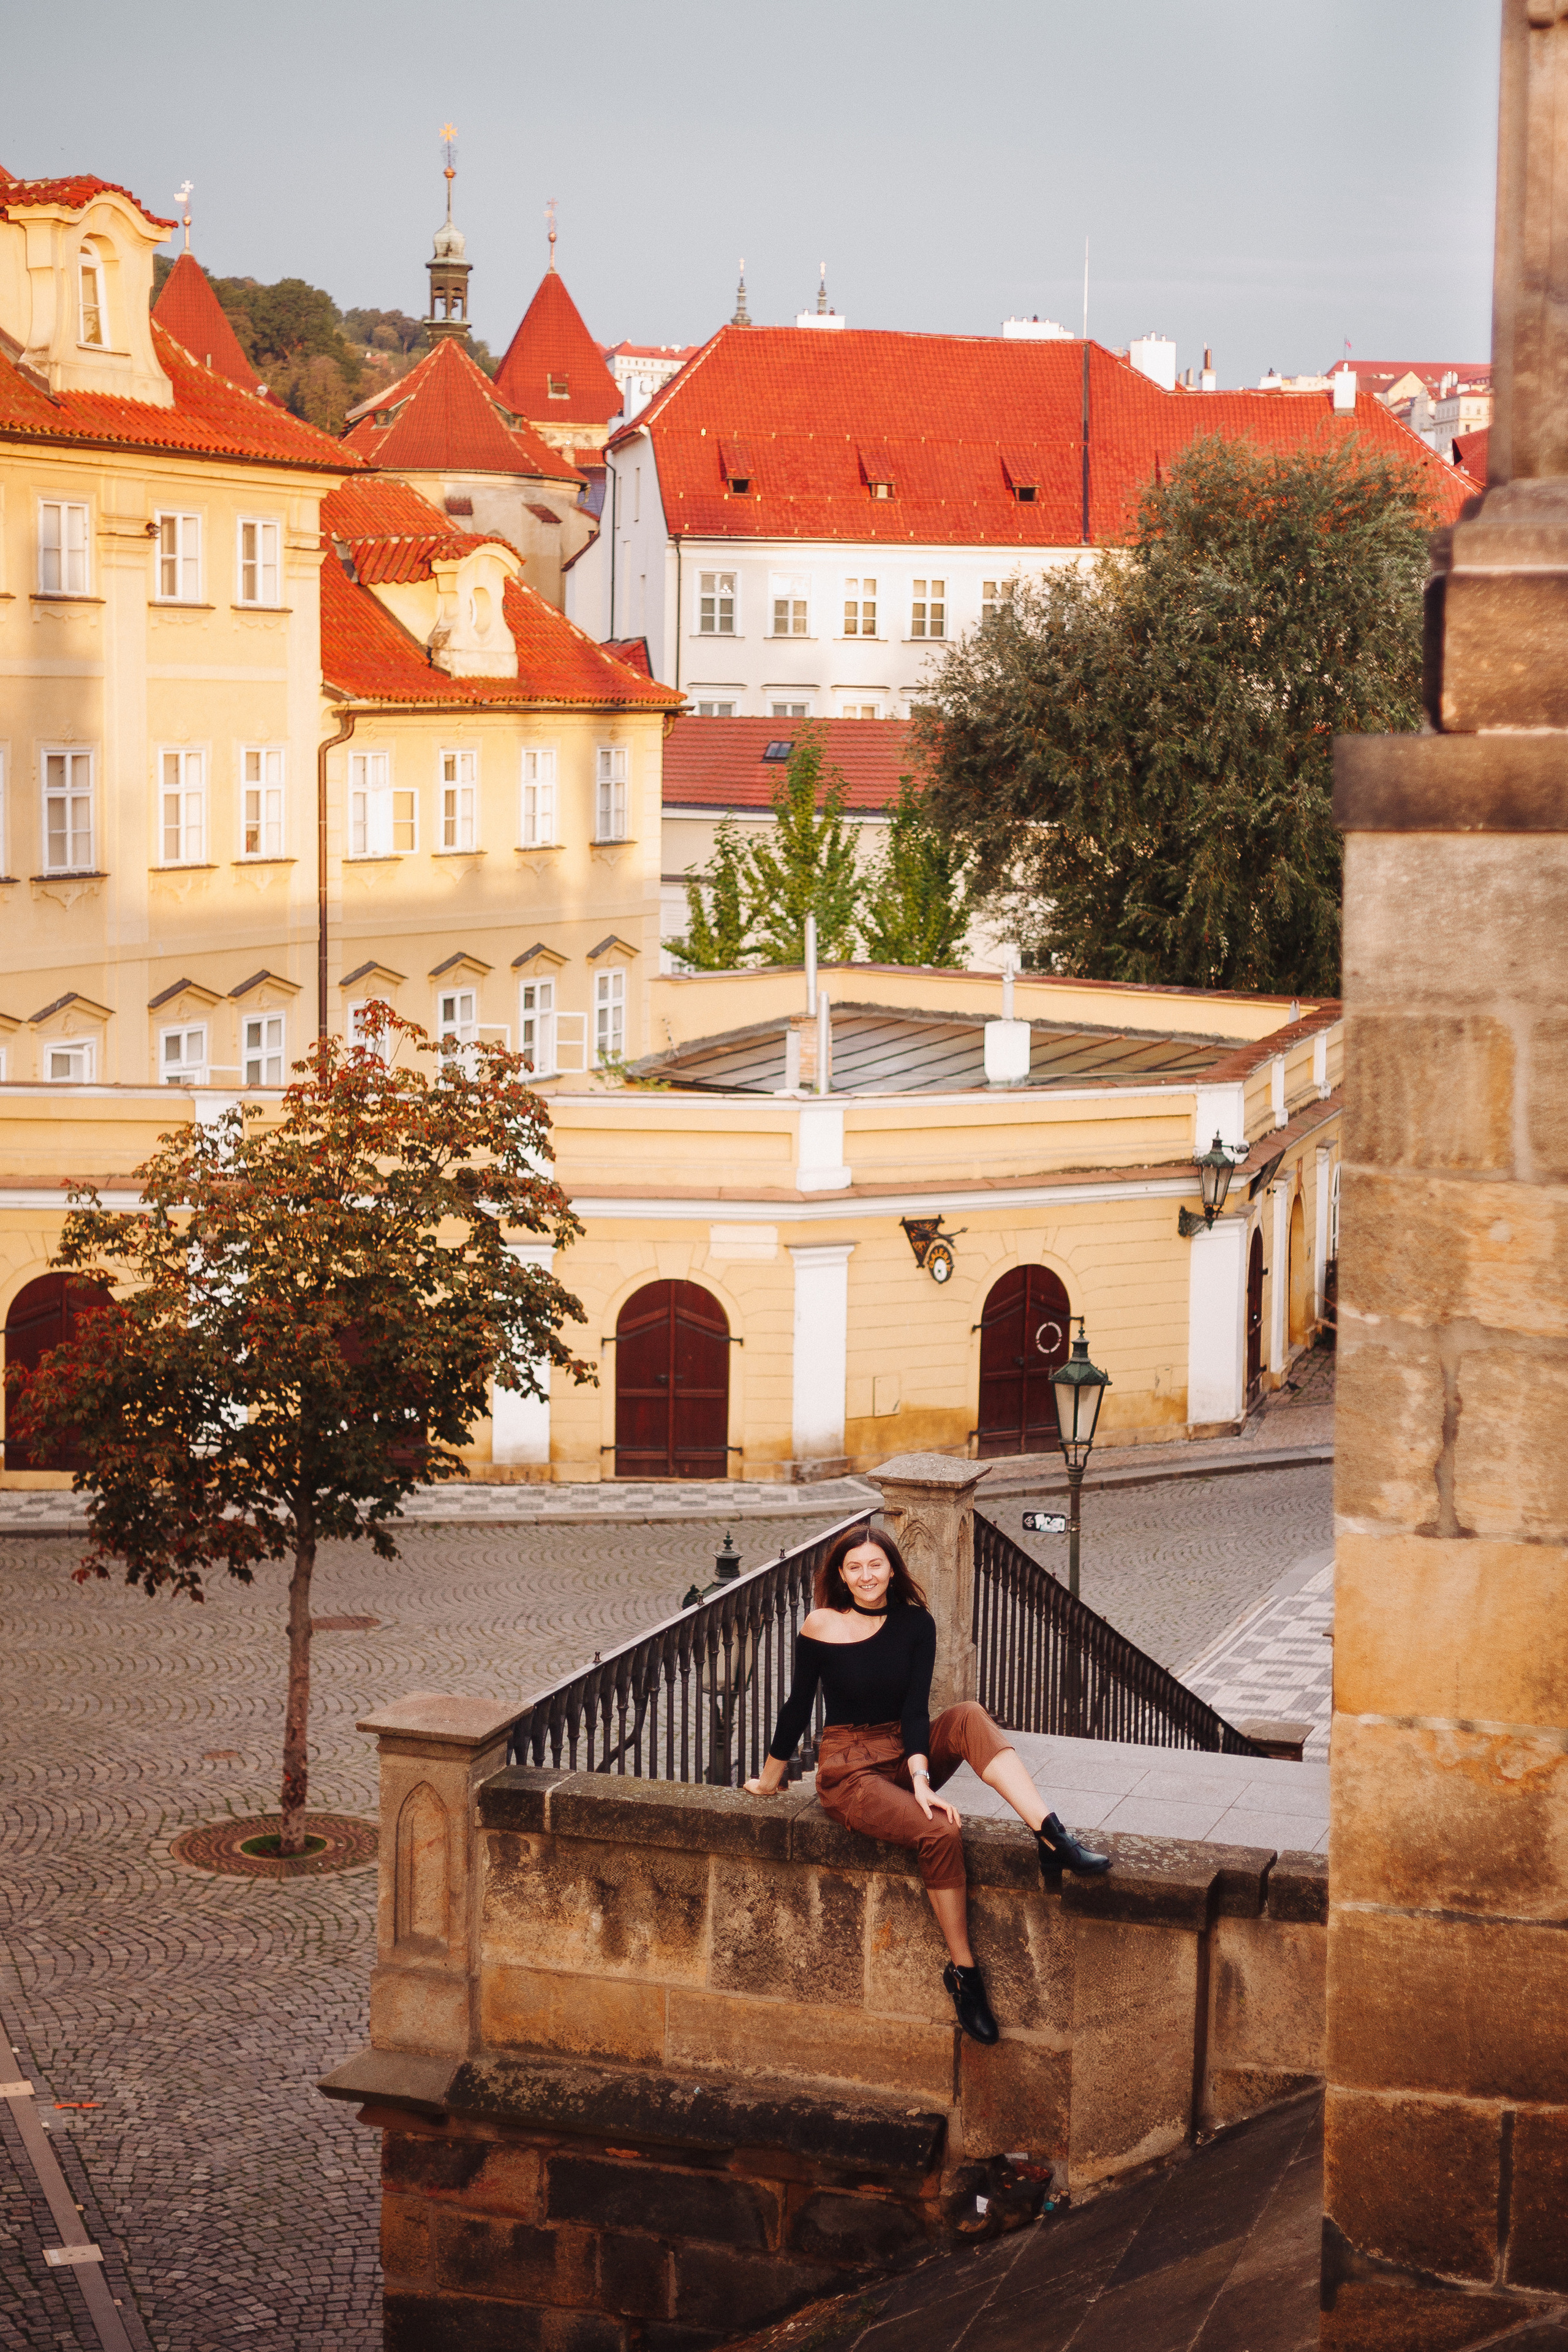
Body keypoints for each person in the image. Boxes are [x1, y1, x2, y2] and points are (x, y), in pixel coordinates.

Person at [744, 1524, 1110, 2044]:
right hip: (850, 1770)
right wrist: (768, 1782)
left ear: (893, 1568)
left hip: (902, 1750)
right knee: (940, 1833)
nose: (866, 1575)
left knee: (967, 1715)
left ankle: (1051, 1834)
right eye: (855, 1567)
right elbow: (797, 1708)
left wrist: (921, 1778)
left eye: (876, 1564)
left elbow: (917, 1710)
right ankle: (964, 1974)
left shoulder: (917, 1624)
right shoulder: (821, 1625)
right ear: (841, 1575)